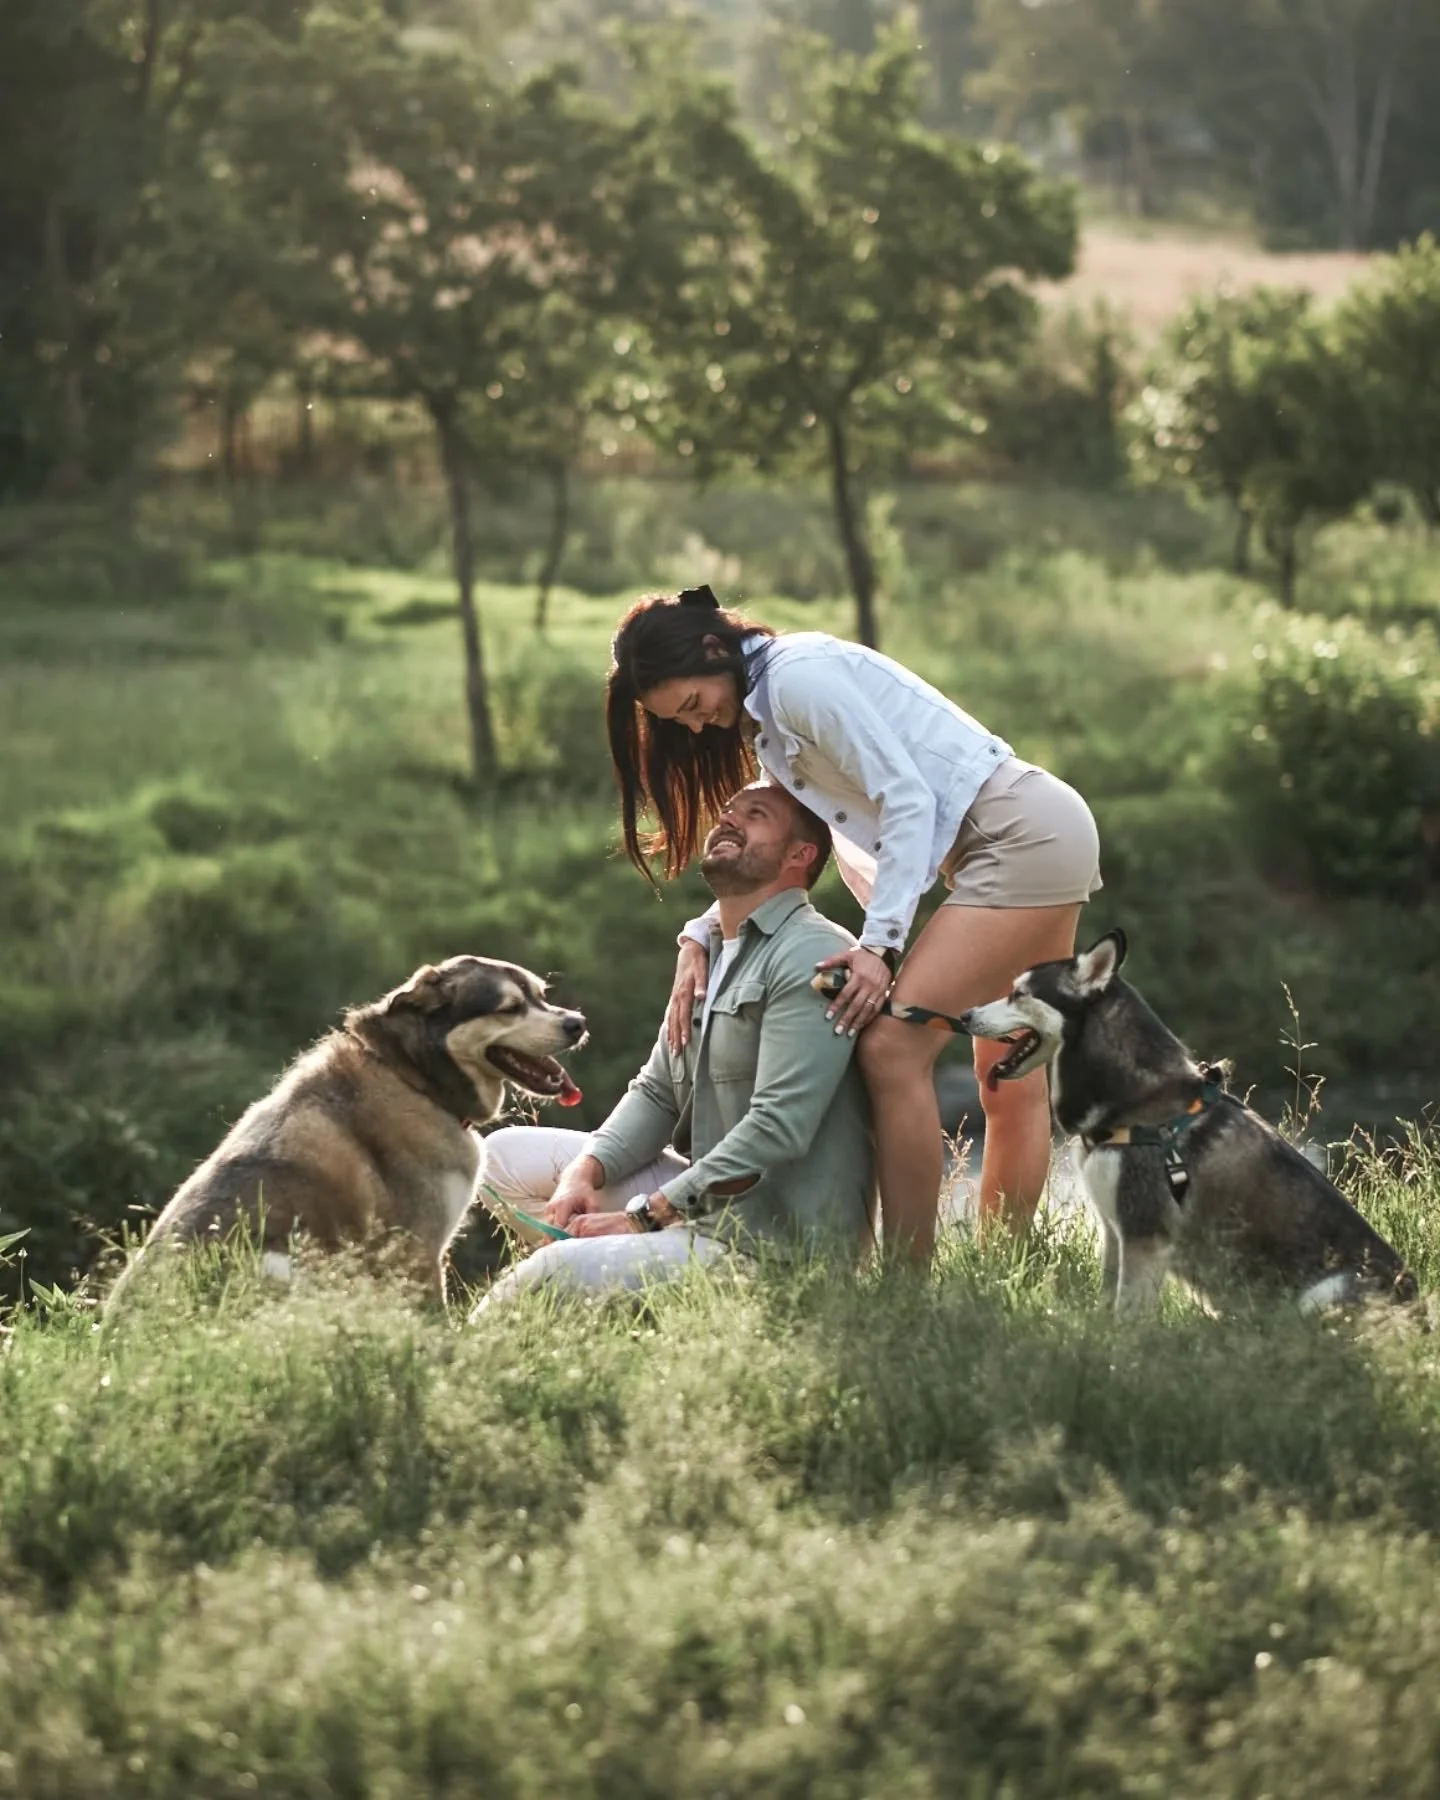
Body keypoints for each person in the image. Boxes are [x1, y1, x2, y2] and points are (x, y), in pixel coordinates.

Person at [604, 585, 1102, 1264]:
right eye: (680, 720)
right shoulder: (769, 714)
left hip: (1017, 838)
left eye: (693, 704)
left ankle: (904, 1282)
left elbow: (907, 797)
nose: (697, 726)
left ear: (714, 649)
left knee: (891, 1049)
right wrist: (700, 934)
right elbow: (797, 840)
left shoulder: (796, 681)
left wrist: (879, 948)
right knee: (1008, 1070)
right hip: (1032, 831)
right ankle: (1000, 1272)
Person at [472, 781, 874, 1311]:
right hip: (704, 1208)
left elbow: (780, 1126)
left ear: (800, 855)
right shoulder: (709, 953)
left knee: (548, 1274)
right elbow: (657, 1093)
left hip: (773, 1246)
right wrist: (583, 1174)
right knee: (497, 1160)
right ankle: (620, 1297)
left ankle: (491, 1333)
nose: (728, 820)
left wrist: (646, 1216)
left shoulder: (814, 954)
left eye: (755, 815)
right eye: (728, 810)